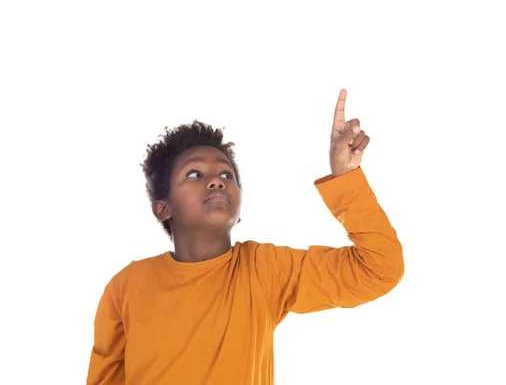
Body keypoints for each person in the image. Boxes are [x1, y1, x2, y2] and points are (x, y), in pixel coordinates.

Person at [86, 89, 404, 384]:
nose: (216, 181)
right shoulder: (125, 286)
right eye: (194, 174)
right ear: (162, 208)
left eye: (227, 174)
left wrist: (346, 178)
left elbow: (379, 268)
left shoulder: (264, 270)